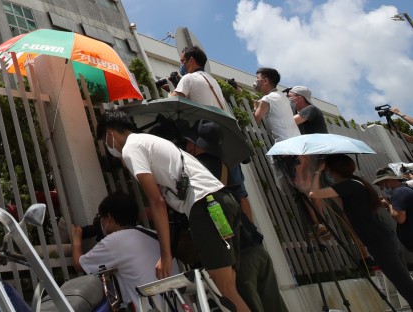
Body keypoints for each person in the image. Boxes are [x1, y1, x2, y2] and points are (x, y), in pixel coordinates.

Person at [96, 110, 253, 312]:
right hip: (221, 202)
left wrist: (165, 255)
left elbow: (156, 201)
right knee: (229, 288)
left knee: (226, 291)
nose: (109, 147)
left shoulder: (131, 148)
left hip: (204, 207)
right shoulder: (149, 141)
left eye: (105, 141)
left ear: (110, 134)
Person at [180, 123, 288, 312]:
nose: (187, 147)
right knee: (274, 306)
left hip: (239, 257)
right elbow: (243, 201)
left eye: (189, 143)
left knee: (249, 305)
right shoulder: (224, 166)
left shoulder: (194, 169)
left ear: (197, 144)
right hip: (255, 246)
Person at [308, 154, 413, 303]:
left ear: (334, 171)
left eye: (329, 171)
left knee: (405, 286)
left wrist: (317, 171)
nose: (328, 175)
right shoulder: (357, 183)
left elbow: (314, 194)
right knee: (405, 283)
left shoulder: (349, 185)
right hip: (384, 239)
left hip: (379, 242)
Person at [171, 46, 253, 221]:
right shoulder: (212, 80)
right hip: (227, 138)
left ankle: (223, 231)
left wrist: (173, 85)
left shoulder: (189, 78)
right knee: (239, 192)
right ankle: (252, 233)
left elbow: (174, 101)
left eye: (183, 62)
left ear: (191, 61)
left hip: (208, 142)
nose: (182, 66)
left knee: (211, 190)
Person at [71, 191, 177, 312]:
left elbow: (79, 265)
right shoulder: (155, 235)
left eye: (102, 218)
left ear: (109, 218)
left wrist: (76, 238)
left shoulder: (114, 242)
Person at [252, 68, 300, 143]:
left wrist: (255, 107)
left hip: (284, 145)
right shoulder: (283, 97)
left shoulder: (267, 99)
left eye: (258, 78)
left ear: (265, 81)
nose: (256, 81)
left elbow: (254, 121)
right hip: (297, 142)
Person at [373, 166, 413, 252]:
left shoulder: (399, 192)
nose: (382, 188)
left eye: (381, 184)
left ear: (387, 181)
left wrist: (388, 204)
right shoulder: (405, 189)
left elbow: (399, 218)